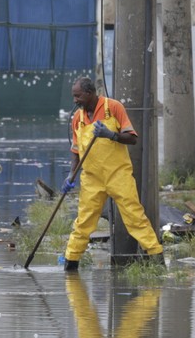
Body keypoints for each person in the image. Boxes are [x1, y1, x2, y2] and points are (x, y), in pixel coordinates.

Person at [61, 77, 163, 271]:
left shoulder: (113, 107)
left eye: (78, 96)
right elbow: (75, 151)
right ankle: (71, 262)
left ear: (90, 94)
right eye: (74, 96)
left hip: (118, 174)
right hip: (92, 178)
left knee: (134, 217)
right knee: (83, 222)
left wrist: (111, 135)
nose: (75, 100)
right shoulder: (78, 119)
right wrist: (70, 175)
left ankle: (156, 256)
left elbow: (132, 138)